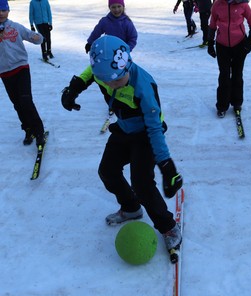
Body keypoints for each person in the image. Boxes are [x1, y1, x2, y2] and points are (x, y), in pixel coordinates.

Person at [61, 35, 183, 253]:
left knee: (142, 184)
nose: (112, 84)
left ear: (127, 64)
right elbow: (90, 72)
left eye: (118, 79)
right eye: (107, 80)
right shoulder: (104, 74)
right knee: (107, 171)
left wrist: (166, 164)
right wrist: (74, 87)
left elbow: (155, 127)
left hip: (146, 134)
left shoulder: (143, 85)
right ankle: (131, 208)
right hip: (124, 129)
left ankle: (169, 227)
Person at [0, 0, 46, 147]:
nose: (0, 13)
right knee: (17, 104)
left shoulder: (15, 26)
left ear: (8, 11)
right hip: (5, 72)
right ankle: (28, 129)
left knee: (26, 100)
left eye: (3, 10)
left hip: (21, 68)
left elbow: (33, 36)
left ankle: (39, 131)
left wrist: (37, 37)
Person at [207, 0, 251, 118]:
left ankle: (237, 102)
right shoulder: (217, 4)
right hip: (222, 45)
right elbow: (212, 24)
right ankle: (222, 105)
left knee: (237, 74)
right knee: (224, 74)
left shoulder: (243, 4)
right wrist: (210, 43)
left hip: (239, 44)